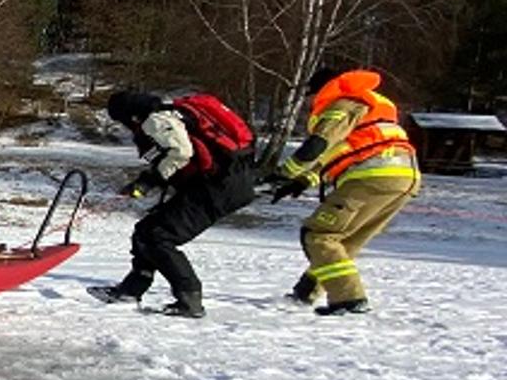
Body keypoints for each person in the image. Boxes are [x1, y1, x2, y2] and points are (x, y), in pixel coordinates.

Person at [87, 89, 258, 318]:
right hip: (227, 182)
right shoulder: (172, 113)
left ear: (130, 115)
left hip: (218, 187)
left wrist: (150, 181)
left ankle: (190, 299)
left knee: (159, 236)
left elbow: (181, 153)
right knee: (146, 230)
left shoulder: (155, 120)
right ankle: (131, 290)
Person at [264, 68, 420, 315]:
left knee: (318, 234)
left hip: (372, 178)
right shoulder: (368, 103)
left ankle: (349, 299)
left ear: (321, 88)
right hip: (401, 177)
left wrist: (285, 173)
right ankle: (307, 290)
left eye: (309, 95)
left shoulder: (343, 103)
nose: (307, 102)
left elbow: (319, 144)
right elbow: (342, 152)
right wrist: (304, 181)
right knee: (344, 241)